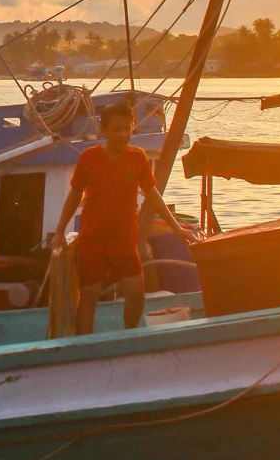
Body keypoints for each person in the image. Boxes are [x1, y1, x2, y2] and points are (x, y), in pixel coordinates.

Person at [50, 102, 196, 334]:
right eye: (116, 129)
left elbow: (153, 195)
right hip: (93, 241)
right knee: (89, 298)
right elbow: (74, 196)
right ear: (103, 130)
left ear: (132, 128)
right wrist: (59, 233)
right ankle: (83, 347)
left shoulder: (138, 157)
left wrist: (177, 228)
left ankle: (129, 336)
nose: (122, 135)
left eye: (127, 129)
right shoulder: (89, 157)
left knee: (137, 296)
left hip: (125, 242)